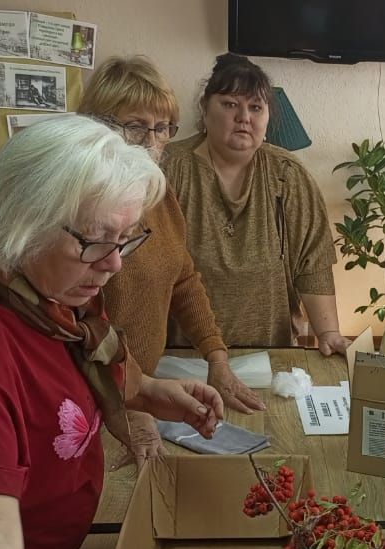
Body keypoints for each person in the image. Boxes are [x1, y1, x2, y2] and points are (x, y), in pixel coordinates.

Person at [0, 115, 225, 549]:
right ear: (24, 224)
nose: (114, 264)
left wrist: (148, 391)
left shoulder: (38, 283)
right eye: (96, 241)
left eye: (124, 240)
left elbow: (78, 354)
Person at [81, 55, 266, 417]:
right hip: (93, 398)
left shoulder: (158, 193)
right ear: (97, 126)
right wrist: (128, 398)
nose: (151, 142)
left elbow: (183, 278)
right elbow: (74, 325)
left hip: (136, 390)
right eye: (136, 126)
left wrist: (217, 357)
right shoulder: (83, 205)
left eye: (163, 128)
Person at [162, 53, 348, 354]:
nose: (244, 117)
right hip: (182, 353)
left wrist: (328, 332)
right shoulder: (169, 169)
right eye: (230, 104)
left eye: (255, 107)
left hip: (270, 350)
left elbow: (313, 265)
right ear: (205, 109)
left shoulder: (288, 175)